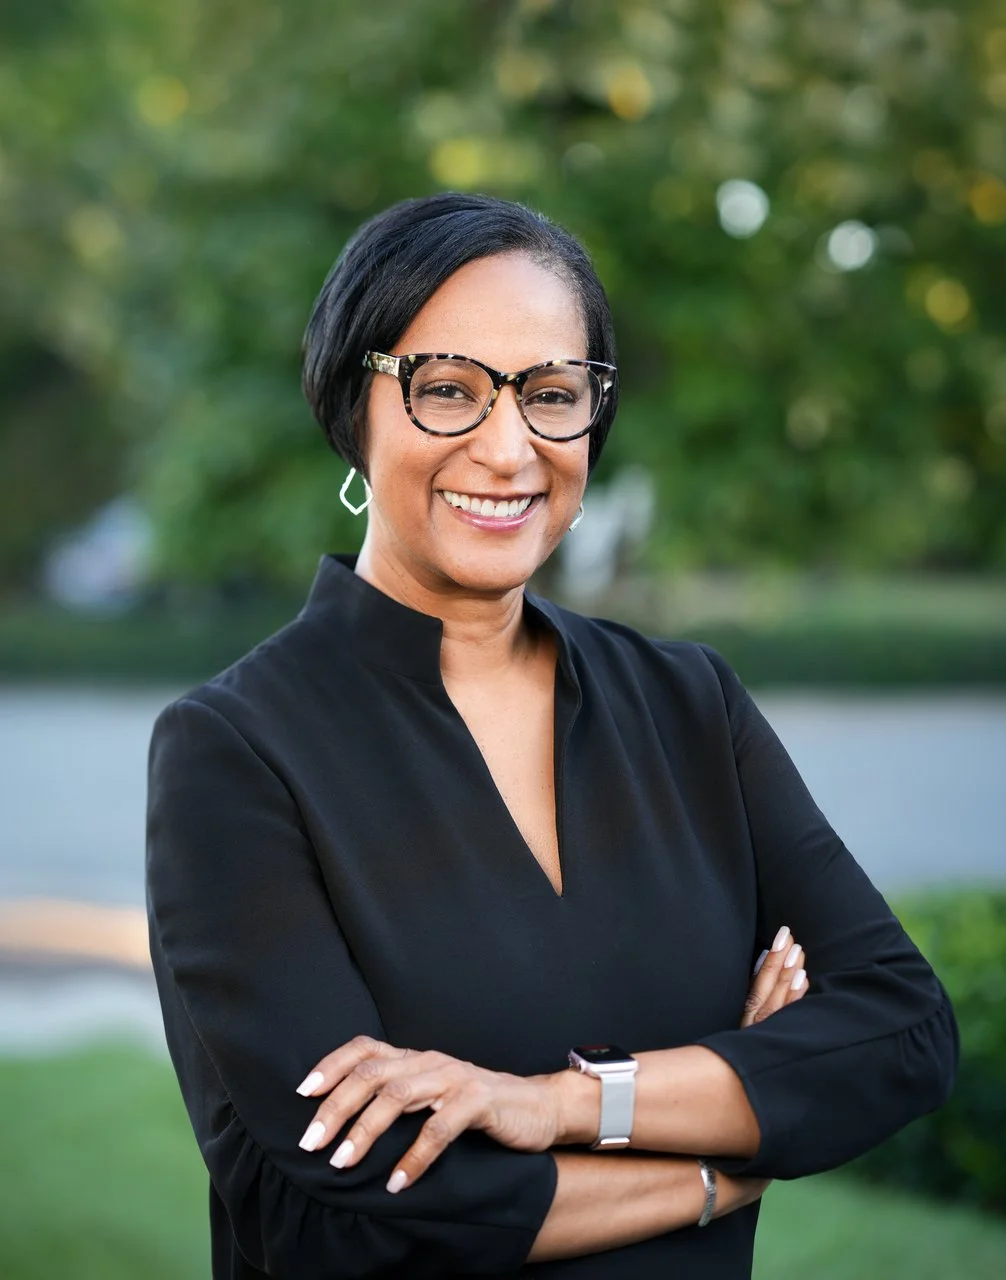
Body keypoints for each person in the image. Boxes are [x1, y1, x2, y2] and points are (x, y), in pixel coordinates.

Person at [145, 191, 958, 1279]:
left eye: (550, 394)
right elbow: (356, 1214)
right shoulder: (233, 751)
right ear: (354, 406)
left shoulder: (688, 706)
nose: (508, 444)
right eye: (446, 391)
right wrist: (732, 1146)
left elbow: (901, 1033)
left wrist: (554, 1104)